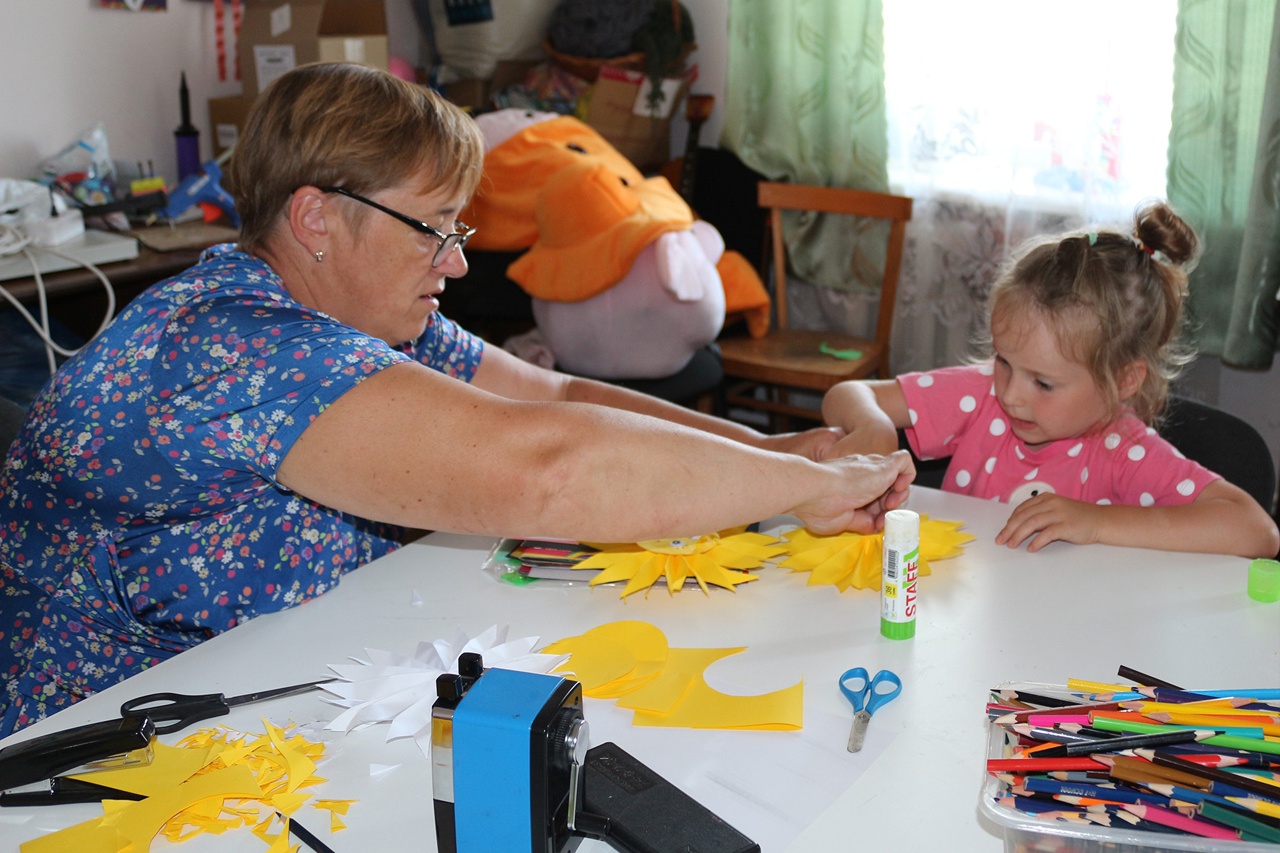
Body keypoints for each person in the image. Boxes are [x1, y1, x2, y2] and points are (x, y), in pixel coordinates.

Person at [0, 63, 914, 737]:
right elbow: (552, 470)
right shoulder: (233, 347)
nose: (458, 260)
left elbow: (553, 391)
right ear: (317, 219)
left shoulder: (357, 306)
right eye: (433, 229)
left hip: (270, 674)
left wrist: (784, 455)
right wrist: (793, 491)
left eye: (458, 227)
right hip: (105, 734)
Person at [822, 202, 1279, 558]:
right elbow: (847, 394)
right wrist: (874, 427)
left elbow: (1257, 531)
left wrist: (1096, 522)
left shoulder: (1120, 448)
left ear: (1123, 381)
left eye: (1043, 383)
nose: (1011, 394)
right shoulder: (980, 395)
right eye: (1003, 361)